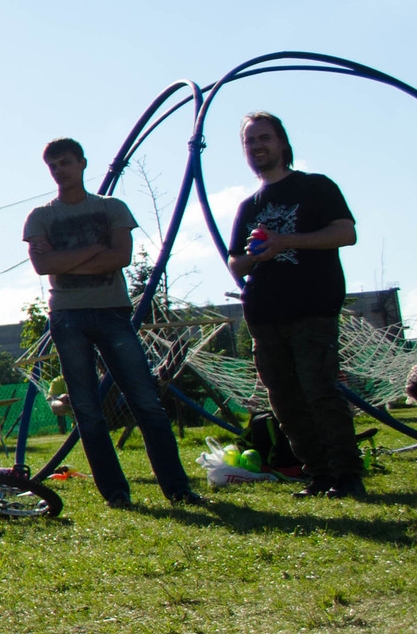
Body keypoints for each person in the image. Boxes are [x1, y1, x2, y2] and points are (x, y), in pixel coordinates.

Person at [22, 137, 202, 507]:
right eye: (53, 165)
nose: (60, 171)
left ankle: (177, 488)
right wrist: (92, 251)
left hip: (113, 313)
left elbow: (121, 256)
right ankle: (116, 493)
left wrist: (65, 258)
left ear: (83, 164)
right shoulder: (40, 217)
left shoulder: (112, 208)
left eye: (66, 163)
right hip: (67, 317)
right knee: (87, 410)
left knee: (146, 402)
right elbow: (43, 266)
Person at [226, 112, 363, 498]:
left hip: (311, 309)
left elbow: (346, 232)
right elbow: (236, 263)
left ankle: (347, 474)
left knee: (319, 391)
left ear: (283, 143)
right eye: (249, 141)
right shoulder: (247, 206)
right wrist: (258, 253)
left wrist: (287, 241)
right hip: (264, 315)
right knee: (285, 401)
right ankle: (317, 474)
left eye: (264, 138)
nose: (257, 147)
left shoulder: (315, 187)